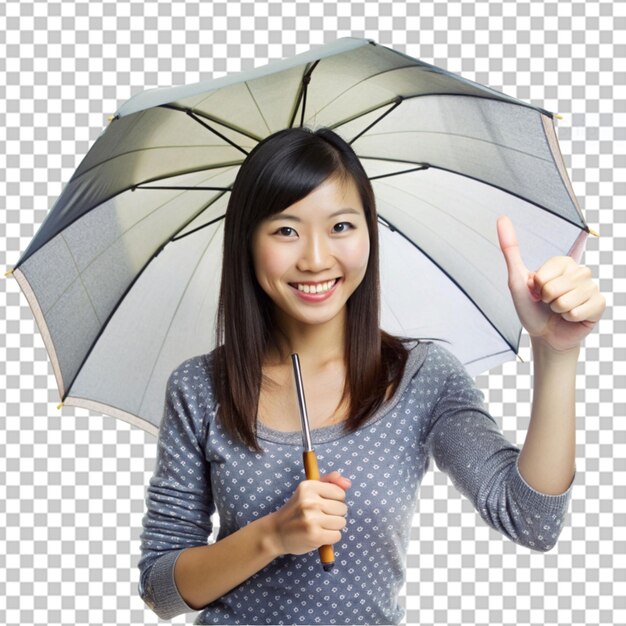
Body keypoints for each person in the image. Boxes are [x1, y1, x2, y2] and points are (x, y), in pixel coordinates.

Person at [137, 127, 605, 625]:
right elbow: (161, 590)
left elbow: (531, 520)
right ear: (248, 244)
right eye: (286, 230)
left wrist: (556, 352)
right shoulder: (199, 387)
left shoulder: (419, 378)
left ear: (369, 233)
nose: (316, 258)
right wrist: (272, 536)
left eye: (340, 226)